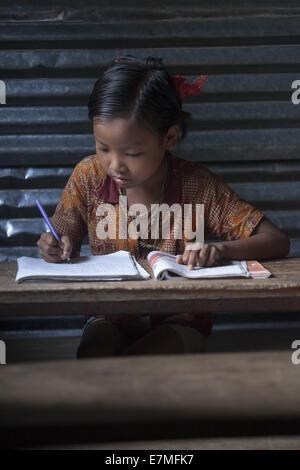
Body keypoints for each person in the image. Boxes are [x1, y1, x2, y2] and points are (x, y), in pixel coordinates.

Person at [37, 55, 290, 358]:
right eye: (102, 148)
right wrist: (54, 245)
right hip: (110, 314)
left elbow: (276, 241)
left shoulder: (198, 185)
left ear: (169, 138)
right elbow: (62, 237)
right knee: (94, 361)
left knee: (144, 365)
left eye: (132, 153)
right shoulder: (88, 177)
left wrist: (220, 250)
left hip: (181, 317)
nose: (114, 165)